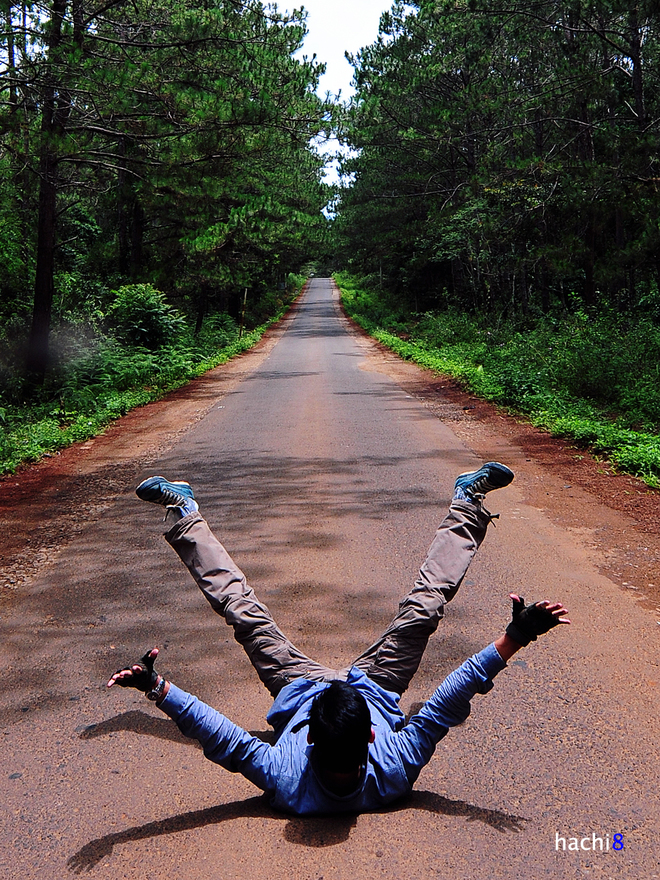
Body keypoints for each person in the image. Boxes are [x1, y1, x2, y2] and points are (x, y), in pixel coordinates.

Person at [107, 463, 570, 815]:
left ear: (308, 739)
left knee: (241, 610)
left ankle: (184, 511)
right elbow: (447, 702)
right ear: (372, 735)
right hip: (376, 686)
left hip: (297, 683)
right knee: (424, 608)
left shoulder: (289, 779)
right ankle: (467, 501)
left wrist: (158, 688)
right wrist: (514, 637)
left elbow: (226, 739)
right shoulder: (392, 771)